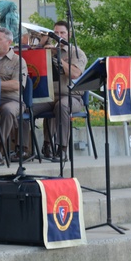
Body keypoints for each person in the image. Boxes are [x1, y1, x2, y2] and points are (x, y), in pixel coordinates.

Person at [33, 20, 87, 160]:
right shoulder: (48, 50)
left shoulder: (77, 53)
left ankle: (61, 149)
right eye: (56, 33)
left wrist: (57, 56)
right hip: (50, 95)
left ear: (68, 35)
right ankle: (25, 149)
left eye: (62, 33)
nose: (59, 36)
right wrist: (41, 48)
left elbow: (75, 73)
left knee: (62, 106)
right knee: (26, 107)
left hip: (71, 96)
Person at [0, 27, 28, 165]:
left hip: (12, 99)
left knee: (7, 110)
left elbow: (17, 84)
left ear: (9, 42)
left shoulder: (18, 61)